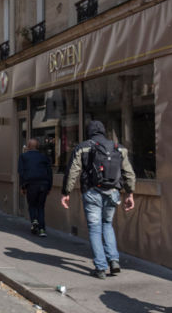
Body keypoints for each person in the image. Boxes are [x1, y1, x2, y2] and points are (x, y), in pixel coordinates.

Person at [61, 120, 136, 279]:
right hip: (113, 192)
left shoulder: (83, 147)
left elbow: (73, 171)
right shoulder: (119, 148)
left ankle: (101, 267)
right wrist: (130, 194)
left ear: (89, 132)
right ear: (103, 131)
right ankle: (114, 260)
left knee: (95, 228)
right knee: (107, 224)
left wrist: (66, 192)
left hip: (92, 191)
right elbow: (128, 173)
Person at [18, 138, 52, 237]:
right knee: (41, 207)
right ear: (38, 147)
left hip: (31, 184)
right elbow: (49, 173)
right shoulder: (44, 157)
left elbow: (21, 172)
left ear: (28, 146)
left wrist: (22, 186)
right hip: (43, 185)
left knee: (32, 205)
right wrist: (49, 186)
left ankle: (34, 220)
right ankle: (42, 230)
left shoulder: (23, 156)